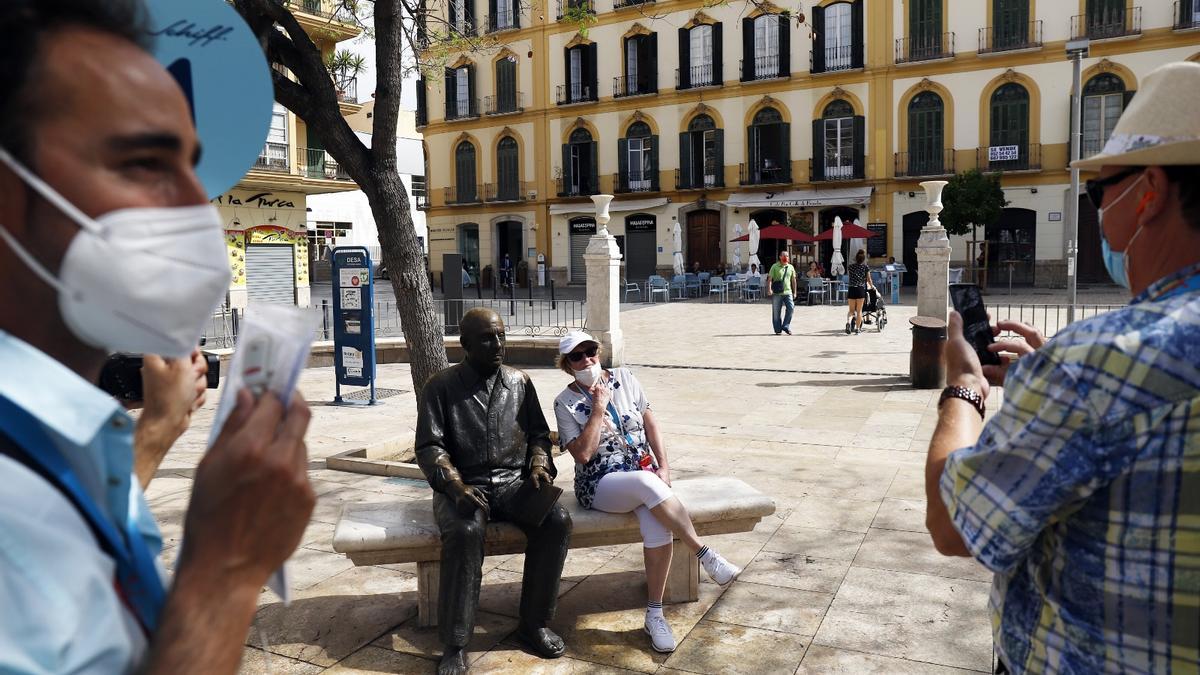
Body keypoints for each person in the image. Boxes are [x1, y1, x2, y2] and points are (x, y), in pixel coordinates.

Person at [0, 2, 316, 672]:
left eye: (192, 167)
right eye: (144, 163)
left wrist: (158, 432)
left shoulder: (66, 437)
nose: (195, 208)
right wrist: (225, 567)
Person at [924, 61, 1200, 674]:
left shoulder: (1098, 367)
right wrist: (1055, 377)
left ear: (1149, 191)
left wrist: (964, 389)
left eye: (1101, 191)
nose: (1098, 210)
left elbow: (953, 525)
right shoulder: (1089, 374)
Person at [552, 332, 740, 654]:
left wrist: (664, 467)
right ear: (566, 365)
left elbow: (651, 424)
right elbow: (582, 455)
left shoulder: (625, 378)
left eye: (591, 352)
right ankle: (704, 554)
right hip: (600, 483)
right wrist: (597, 409)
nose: (586, 360)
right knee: (643, 482)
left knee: (656, 524)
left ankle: (655, 614)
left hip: (644, 475)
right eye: (577, 357)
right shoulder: (565, 402)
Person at [416, 308, 571, 675]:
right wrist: (454, 486)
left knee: (556, 522)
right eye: (488, 338)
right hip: (465, 486)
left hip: (513, 484)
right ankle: (455, 643)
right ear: (465, 344)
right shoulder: (441, 387)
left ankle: (533, 624)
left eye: (501, 335)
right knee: (466, 531)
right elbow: (430, 448)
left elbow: (538, 435)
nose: (498, 344)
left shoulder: (519, 383)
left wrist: (537, 465)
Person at [766, 250, 798, 335]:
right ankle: (777, 330)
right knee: (776, 312)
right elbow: (769, 279)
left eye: (787, 256)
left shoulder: (791, 267)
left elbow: (793, 280)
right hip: (777, 293)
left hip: (788, 292)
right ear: (780, 257)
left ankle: (785, 326)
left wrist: (795, 292)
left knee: (791, 308)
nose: (786, 258)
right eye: (784, 256)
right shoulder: (775, 266)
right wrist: (769, 289)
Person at [844, 250, 874, 334]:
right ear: (863, 259)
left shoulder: (850, 267)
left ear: (856, 258)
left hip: (852, 289)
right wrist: (872, 286)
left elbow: (850, 277)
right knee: (859, 310)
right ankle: (857, 329)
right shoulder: (865, 267)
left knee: (851, 310)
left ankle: (848, 323)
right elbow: (869, 279)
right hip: (860, 289)